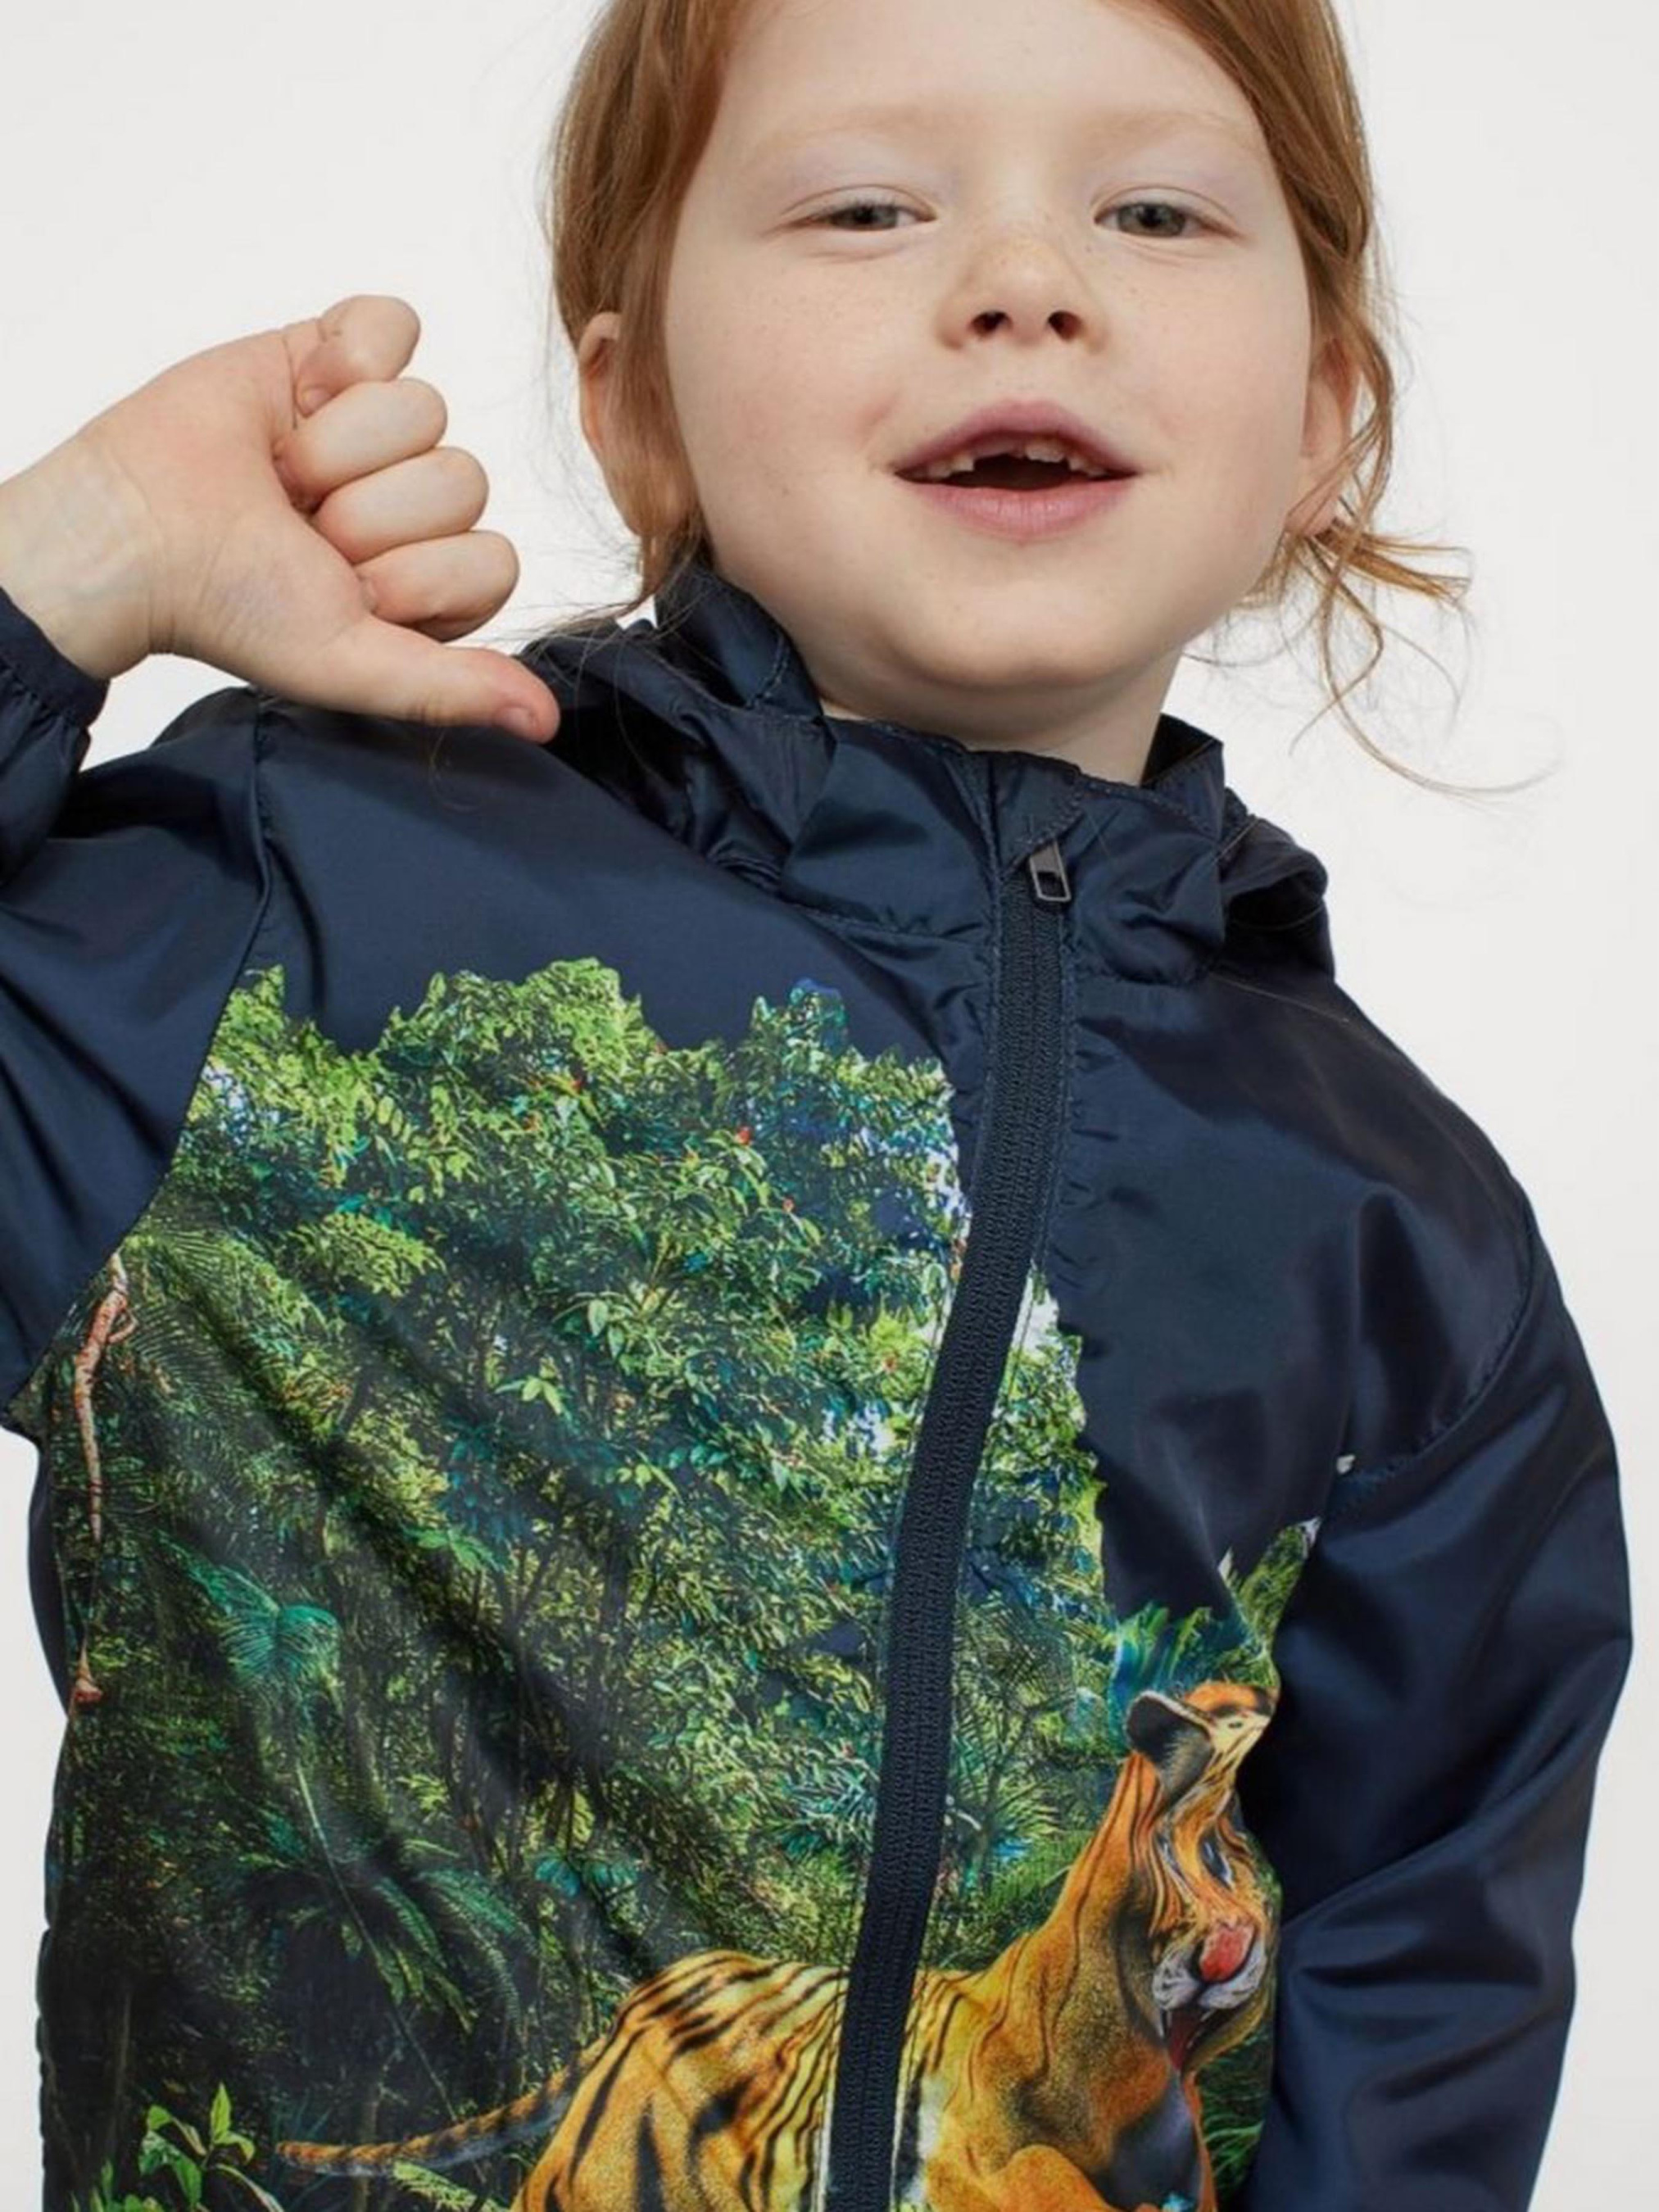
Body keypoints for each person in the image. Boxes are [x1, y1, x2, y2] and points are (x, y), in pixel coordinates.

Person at [0, 1, 1632, 2208]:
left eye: (1154, 213)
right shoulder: (288, 909)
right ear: (634, 408)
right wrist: (61, 563)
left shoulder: (1397, 1226)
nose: (1024, 279)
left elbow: (1417, 1993)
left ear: (1323, 417)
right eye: (868, 206)